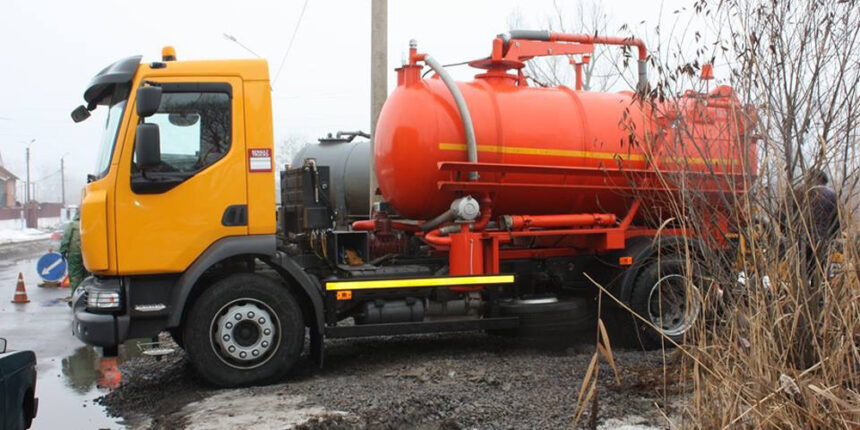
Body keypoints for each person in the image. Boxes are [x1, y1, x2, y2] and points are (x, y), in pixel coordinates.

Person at [59, 211, 89, 294]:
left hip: (75, 254)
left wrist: (63, 251)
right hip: (88, 255)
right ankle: (87, 294)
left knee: (75, 276)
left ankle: (76, 295)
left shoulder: (72, 224)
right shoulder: (89, 223)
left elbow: (66, 238)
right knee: (88, 276)